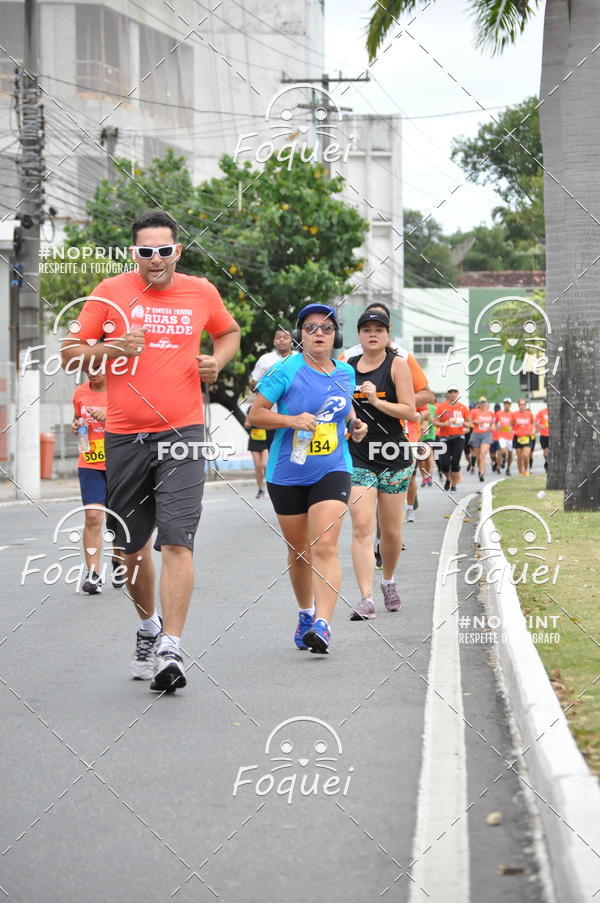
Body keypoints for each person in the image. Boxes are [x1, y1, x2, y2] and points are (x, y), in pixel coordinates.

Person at [61, 210, 241, 692]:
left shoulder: (201, 291)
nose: (156, 259)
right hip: (123, 436)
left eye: (165, 250)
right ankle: (148, 626)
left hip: (182, 432)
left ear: (177, 251)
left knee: (177, 538)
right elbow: (69, 352)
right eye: (146, 251)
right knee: (130, 544)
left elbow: (229, 331)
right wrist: (114, 345)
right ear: (134, 253)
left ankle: (172, 647)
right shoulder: (110, 294)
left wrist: (216, 362)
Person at [248, 303, 367, 654]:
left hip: (332, 467)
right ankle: (305, 613)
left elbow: (346, 411)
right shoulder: (285, 369)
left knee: (325, 546)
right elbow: (256, 414)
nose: (319, 333)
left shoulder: (345, 373)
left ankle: (324, 625)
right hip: (286, 472)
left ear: (335, 336)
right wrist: (292, 420)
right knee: (299, 551)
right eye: (311, 327)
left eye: (326, 328)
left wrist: (355, 426)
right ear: (301, 334)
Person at [345, 309, 419, 619]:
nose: (372, 334)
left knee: (390, 531)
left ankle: (388, 581)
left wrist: (376, 402)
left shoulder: (397, 365)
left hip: (393, 455)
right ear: (359, 335)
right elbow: (342, 408)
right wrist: (352, 423)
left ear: (387, 335)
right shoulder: (346, 368)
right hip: (359, 455)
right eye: (366, 329)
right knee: (362, 527)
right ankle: (365, 598)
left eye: (379, 329)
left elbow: (410, 411)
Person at [71, 370, 126, 593]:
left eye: (97, 367)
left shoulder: (121, 390)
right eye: (87, 367)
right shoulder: (80, 392)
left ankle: (118, 560)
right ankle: (93, 574)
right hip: (90, 461)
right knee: (93, 517)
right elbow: (77, 419)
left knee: (117, 519)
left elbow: (134, 421)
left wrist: (109, 415)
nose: (91, 372)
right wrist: (75, 426)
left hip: (119, 463)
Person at [247, 327, 296, 498]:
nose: (282, 340)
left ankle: (295, 487)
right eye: (278, 337)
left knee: (294, 455)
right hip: (269, 418)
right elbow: (253, 384)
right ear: (274, 341)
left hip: (294, 417)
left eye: (285, 337)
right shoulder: (265, 360)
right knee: (272, 459)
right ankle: (276, 490)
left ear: (292, 340)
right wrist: (269, 385)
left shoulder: (299, 359)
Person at [434, 387, 471, 491]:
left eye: (455, 392)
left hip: (458, 437)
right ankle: (448, 479)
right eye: (450, 392)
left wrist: (463, 423)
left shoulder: (463, 408)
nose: (453, 394)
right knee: (444, 464)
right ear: (447, 394)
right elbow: (434, 421)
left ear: (458, 394)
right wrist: (443, 423)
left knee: (455, 463)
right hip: (444, 438)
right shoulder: (442, 407)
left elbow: (470, 423)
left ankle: (454, 484)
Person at [469, 397, 494, 482]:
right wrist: (475, 422)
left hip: (486, 434)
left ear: (487, 404)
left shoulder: (490, 413)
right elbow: (469, 421)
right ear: (479, 404)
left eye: (485, 403)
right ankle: (480, 469)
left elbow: (493, 424)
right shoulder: (474, 411)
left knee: (483, 454)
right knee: (478, 456)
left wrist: (493, 427)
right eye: (481, 403)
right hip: (476, 435)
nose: (483, 404)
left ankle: (482, 473)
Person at [511, 398, 535, 476]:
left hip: (527, 437)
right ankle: (520, 472)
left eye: (523, 404)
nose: (522, 406)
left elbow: (533, 423)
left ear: (525, 405)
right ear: (518, 405)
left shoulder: (529, 414)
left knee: (525, 455)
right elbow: (511, 425)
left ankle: (526, 470)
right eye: (520, 404)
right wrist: (512, 431)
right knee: (519, 457)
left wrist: (533, 430)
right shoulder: (514, 414)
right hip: (517, 437)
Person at [495, 397, 514, 476]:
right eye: (505, 404)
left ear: (510, 405)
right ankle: (503, 460)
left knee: (510, 453)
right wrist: (497, 426)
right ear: (503, 405)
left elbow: (515, 424)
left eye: (508, 404)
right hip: (502, 435)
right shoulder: (499, 413)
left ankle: (508, 468)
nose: (507, 405)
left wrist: (513, 428)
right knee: (503, 451)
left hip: (510, 436)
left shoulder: (513, 414)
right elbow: (495, 422)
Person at [535, 403, 550, 471]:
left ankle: (549, 463)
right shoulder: (542, 412)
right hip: (544, 435)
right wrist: (540, 426)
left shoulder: (554, 411)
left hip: (553, 435)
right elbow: (536, 421)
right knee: (545, 451)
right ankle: (547, 462)